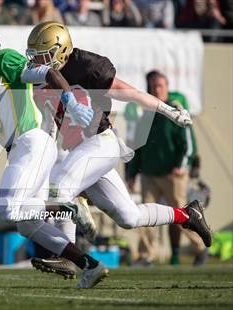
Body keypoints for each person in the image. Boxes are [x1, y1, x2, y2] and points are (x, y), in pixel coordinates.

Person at [25, 21, 211, 277]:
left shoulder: (84, 65)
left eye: (43, 55)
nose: (38, 62)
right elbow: (53, 120)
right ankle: (187, 215)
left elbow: (129, 93)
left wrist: (168, 110)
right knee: (129, 217)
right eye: (34, 55)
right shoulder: (38, 79)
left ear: (62, 50)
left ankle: (68, 257)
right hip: (79, 151)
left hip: (101, 143)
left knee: (59, 186)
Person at [0, 28, 109, 289]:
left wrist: (71, 102)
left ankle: (67, 207)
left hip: (31, 140)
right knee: (27, 224)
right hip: (20, 150)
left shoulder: (1, 60)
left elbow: (49, 72)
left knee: (6, 208)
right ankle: (90, 265)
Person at [126, 71, 207, 266]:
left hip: (173, 175)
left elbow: (188, 142)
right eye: (153, 86)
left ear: (167, 87)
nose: (157, 89)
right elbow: (137, 146)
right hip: (148, 174)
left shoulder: (175, 109)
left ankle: (200, 247)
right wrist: (131, 173)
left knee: (182, 215)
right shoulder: (145, 112)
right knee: (144, 215)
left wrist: (181, 166)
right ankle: (146, 256)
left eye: (160, 85)